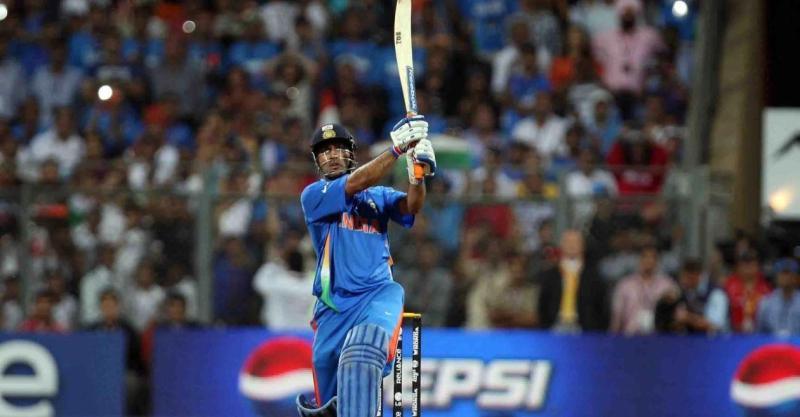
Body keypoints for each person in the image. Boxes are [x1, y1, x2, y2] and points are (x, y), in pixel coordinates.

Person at [296, 118, 435, 417]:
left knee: (362, 354)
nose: (332, 155)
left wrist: (417, 176)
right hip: (333, 308)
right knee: (329, 409)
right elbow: (355, 183)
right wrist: (397, 150)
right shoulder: (314, 196)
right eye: (325, 151)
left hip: (377, 294)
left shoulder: (378, 196)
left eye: (338, 148)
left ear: (351, 154)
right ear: (317, 160)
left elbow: (412, 206)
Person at [538, 230, 608, 332]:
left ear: (583, 246)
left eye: (575, 242)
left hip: (585, 329)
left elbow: (601, 306)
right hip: (555, 327)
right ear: (561, 245)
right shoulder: (551, 275)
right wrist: (546, 326)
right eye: (568, 242)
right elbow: (543, 304)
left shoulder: (593, 276)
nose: (571, 245)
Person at [611, 243, 677, 334]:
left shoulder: (667, 285)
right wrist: (613, 338)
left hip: (659, 337)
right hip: (631, 336)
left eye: (653, 257)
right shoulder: (625, 285)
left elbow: (677, 315)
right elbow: (617, 317)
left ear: (658, 261)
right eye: (645, 257)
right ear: (639, 259)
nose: (649, 261)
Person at [655, 258, 729, 334]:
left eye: (686, 277)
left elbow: (714, 326)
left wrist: (688, 318)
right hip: (691, 338)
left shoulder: (716, 294)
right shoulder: (683, 292)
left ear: (695, 276)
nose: (682, 281)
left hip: (717, 340)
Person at [756, 258, 800, 337]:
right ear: (776, 277)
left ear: (796, 278)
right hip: (772, 344)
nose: (786, 278)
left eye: (789, 274)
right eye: (782, 274)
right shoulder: (766, 302)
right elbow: (760, 333)